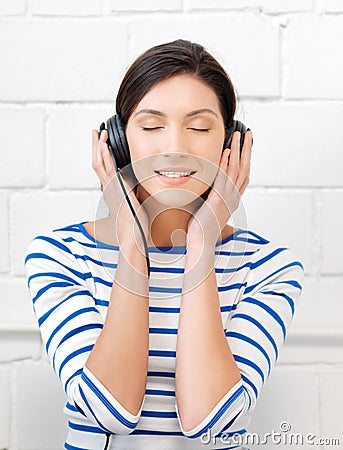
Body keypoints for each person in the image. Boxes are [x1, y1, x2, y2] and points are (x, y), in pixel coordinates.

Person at [24, 39, 304, 450]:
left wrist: (201, 244)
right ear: (118, 142)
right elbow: (109, 410)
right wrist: (133, 246)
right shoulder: (59, 256)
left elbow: (211, 421)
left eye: (200, 127)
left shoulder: (270, 268)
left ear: (231, 144)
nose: (175, 148)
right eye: (152, 126)